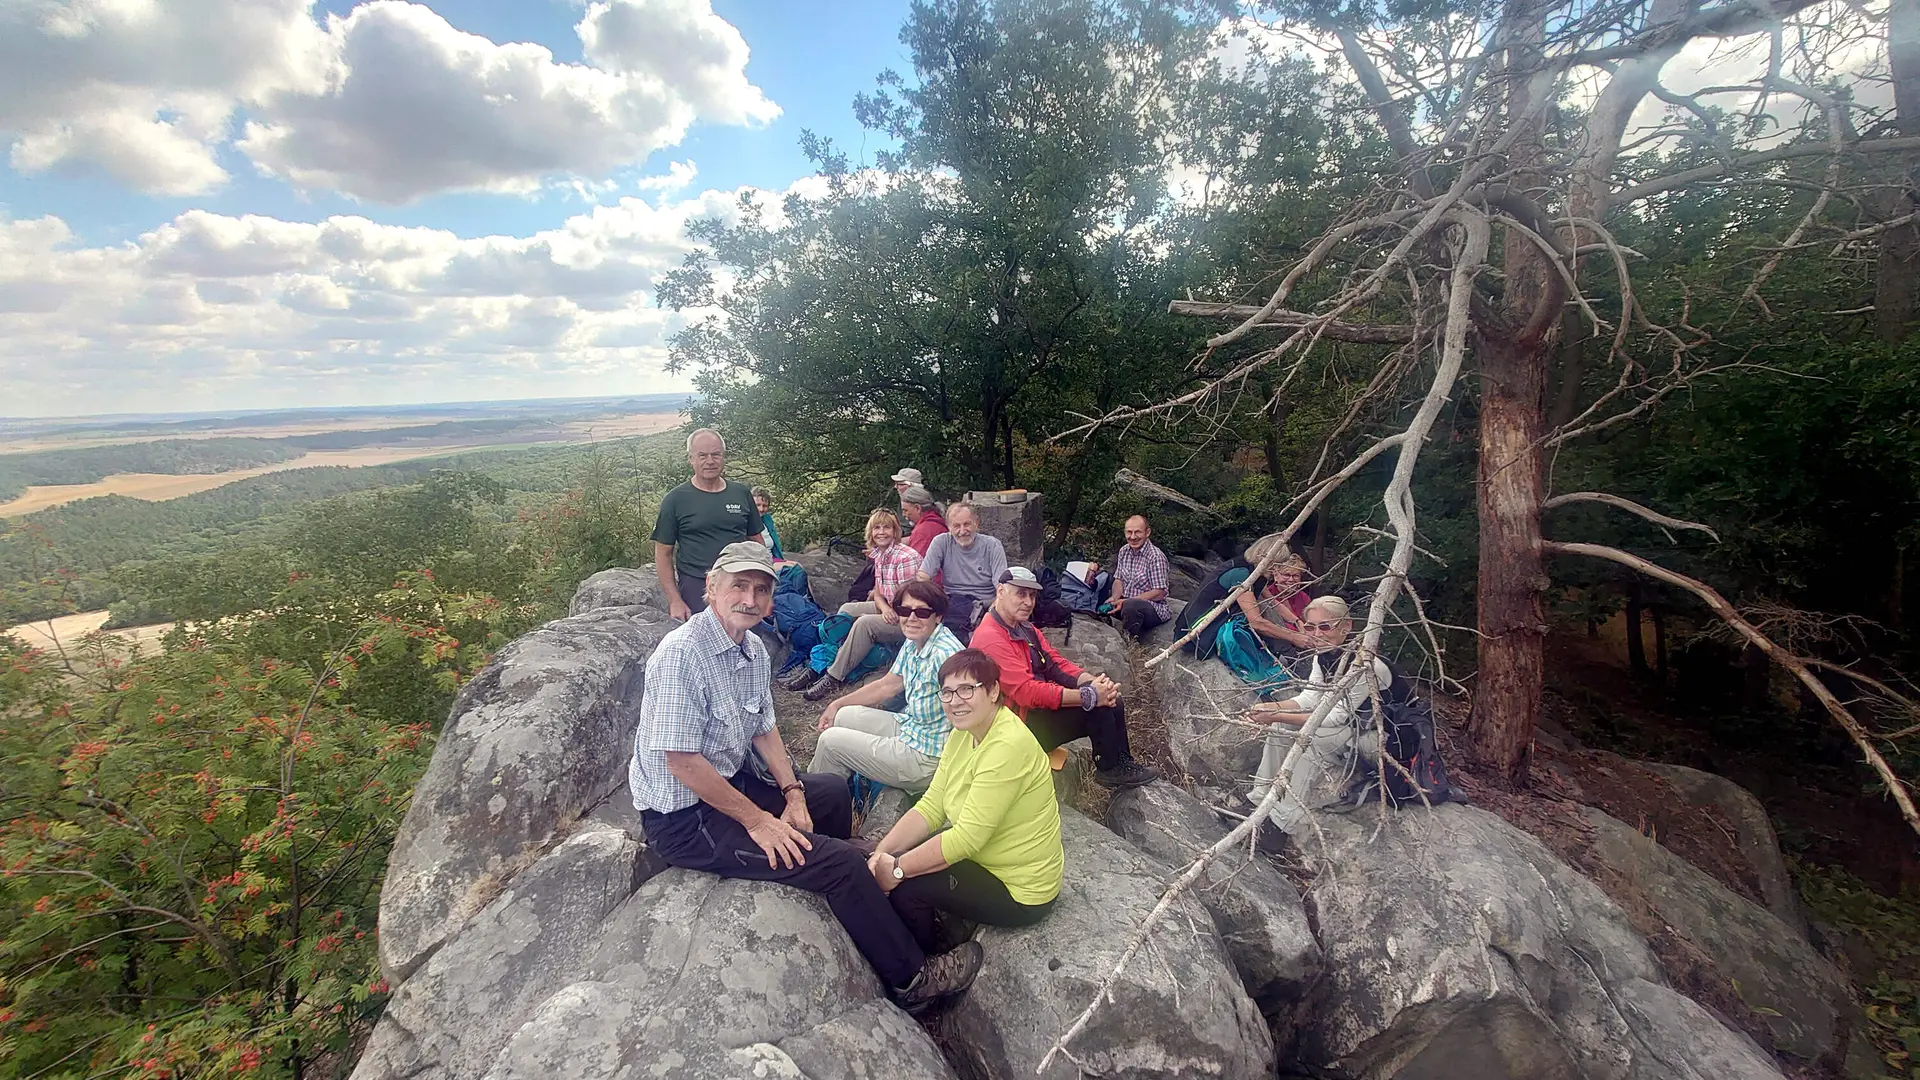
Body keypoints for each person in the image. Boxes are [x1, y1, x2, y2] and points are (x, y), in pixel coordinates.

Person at [628, 541, 982, 1013]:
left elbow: (764, 727)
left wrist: (793, 793)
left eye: (760, 590)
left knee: (831, 793)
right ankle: (912, 981)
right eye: (739, 586)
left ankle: (848, 902)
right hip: (686, 818)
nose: (750, 600)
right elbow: (682, 762)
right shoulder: (680, 655)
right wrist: (760, 822)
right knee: (840, 862)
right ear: (711, 588)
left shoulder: (751, 647)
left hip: (731, 784)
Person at [868, 649, 1063, 955]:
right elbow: (932, 805)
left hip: (1020, 888)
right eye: (947, 692)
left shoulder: (1008, 745)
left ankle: (925, 969)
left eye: (967, 689)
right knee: (908, 857)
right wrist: (882, 854)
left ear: (994, 691)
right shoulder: (964, 733)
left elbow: (966, 839)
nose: (955, 700)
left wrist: (895, 871)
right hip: (987, 860)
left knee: (907, 889)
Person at [969, 567, 1158, 788]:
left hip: (1028, 714)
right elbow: (1026, 693)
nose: (1028, 602)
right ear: (1000, 591)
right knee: (1098, 707)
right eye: (1021, 594)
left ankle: (1120, 762)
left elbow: (1055, 664)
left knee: (1111, 699)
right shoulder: (991, 637)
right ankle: (1110, 769)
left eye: (1032, 595)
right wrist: (1088, 696)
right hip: (1012, 727)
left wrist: (1092, 683)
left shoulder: (1024, 627)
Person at [1244, 595, 1393, 830]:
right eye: (1311, 627)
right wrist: (1272, 708)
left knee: (1315, 739)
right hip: (1354, 726)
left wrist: (1278, 715)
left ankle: (1279, 825)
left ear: (1346, 627)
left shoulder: (1367, 664)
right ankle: (1258, 799)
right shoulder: (1323, 654)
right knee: (1281, 727)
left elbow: (1335, 717)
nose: (1317, 634)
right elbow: (1311, 697)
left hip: (1381, 738)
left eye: (1325, 626)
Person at [808, 579, 964, 793]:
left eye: (922, 612)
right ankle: (842, 793)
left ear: (938, 616)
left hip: (925, 757)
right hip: (911, 728)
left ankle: (814, 804)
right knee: (842, 715)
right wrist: (836, 704)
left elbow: (969, 715)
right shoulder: (915, 642)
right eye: (904, 610)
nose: (911, 618)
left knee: (829, 742)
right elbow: (887, 686)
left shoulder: (946, 656)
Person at [784, 509, 923, 700]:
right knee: (847, 610)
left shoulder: (905, 558)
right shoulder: (881, 555)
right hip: (891, 608)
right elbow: (878, 593)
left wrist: (889, 612)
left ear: (895, 531)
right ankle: (820, 664)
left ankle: (833, 677)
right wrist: (885, 609)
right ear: (870, 532)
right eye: (877, 528)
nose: (881, 532)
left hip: (910, 618)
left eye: (887, 527)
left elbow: (913, 603)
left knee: (864, 623)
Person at [652, 429, 766, 620]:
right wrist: (675, 600)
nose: (710, 461)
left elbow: (756, 541)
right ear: (691, 459)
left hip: (740, 581)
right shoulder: (675, 499)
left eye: (716, 454)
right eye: (702, 455)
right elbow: (663, 553)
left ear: (723, 457)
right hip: (697, 585)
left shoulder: (740, 493)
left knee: (748, 639)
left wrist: (764, 585)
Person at [1173, 536, 1311, 657]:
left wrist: (1297, 622)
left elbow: (1272, 602)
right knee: (1259, 612)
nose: (1276, 569)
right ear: (1265, 558)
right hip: (1197, 632)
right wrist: (1293, 637)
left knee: (1264, 606)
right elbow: (1256, 622)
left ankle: (1285, 653)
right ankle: (1290, 655)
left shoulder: (1255, 572)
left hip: (1215, 622)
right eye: (1276, 564)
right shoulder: (1241, 574)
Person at [918, 501, 1007, 633]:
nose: (962, 531)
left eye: (967, 524)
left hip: (985, 602)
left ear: (977, 524)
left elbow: (1002, 586)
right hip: (952, 601)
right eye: (956, 526)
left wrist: (992, 612)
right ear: (948, 527)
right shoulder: (941, 542)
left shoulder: (992, 545)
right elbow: (923, 576)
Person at [1107, 515, 1171, 640]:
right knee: (1100, 588)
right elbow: (1119, 579)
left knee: (1131, 606)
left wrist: (1126, 601)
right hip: (1124, 601)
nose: (1133, 537)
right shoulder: (1124, 551)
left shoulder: (1156, 557)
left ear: (1147, 532)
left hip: (1151, 607)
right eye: (1129, 532)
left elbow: (1159, 593)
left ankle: (1130, 641)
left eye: (1137, 532)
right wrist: (1114, 598)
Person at [900, 484, 948, 557]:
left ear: (918, 508)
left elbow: (917, 562)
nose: (903, 514)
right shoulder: (936, 521)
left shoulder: (923, 531)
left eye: (905, 510)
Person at [751, 486, 785, 561]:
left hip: (771, 558)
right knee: (795, 570)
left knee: (795, 566)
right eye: (758, 505)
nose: (761, 509)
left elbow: (776, 547)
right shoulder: (744, 521)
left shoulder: (767, 519)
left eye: (765, 506)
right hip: (756, 561)